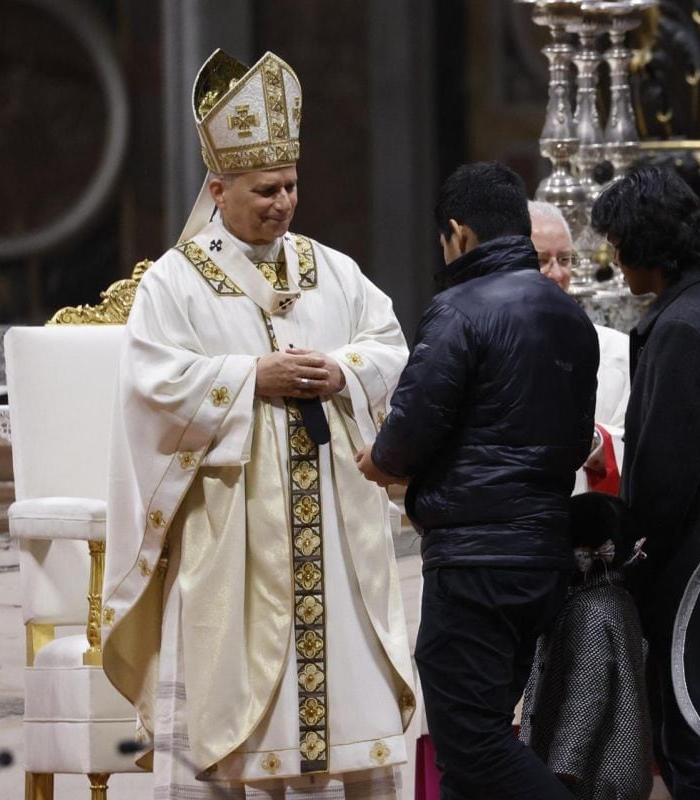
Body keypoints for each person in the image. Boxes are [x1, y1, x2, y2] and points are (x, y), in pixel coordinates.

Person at [102, 50, 416, 799]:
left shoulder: (330, 268)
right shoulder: (175, 282)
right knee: (246, 726)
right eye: (265, 190)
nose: (283, 203)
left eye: (292, 186)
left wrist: (343, 370)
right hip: (237, 523)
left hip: (338, 526)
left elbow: (391, 343)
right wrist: (251, 378)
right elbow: (150, 383)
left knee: (355, 710)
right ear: (218, 189)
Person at [355, 161, 599, 800]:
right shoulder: (571, 318)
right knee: (488, 741)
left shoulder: (458, 310)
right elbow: (576, 443)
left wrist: (378, 461)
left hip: (475, 561)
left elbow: (405, 439)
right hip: (543, 555)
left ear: (458, 233)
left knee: (474, 749)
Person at [591, 166, 700, 799]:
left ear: (645, 246)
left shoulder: (683, 326)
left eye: (617, 246)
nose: (615, 263)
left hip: (688, 574)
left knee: (693, 752)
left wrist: (629, 560)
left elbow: (664, 478)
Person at [519, 492, 653, 800]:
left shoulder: (589, 609)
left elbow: (586, 694)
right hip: (617, 766)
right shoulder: (618, 599)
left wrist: (561, 770)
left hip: (595, 775)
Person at [528, 200, 630, 494]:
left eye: (565, 259)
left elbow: (645, 445)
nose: (556, 274)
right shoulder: (488, 344)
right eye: (542, 260)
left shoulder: (618, 351)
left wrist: (598, 441)